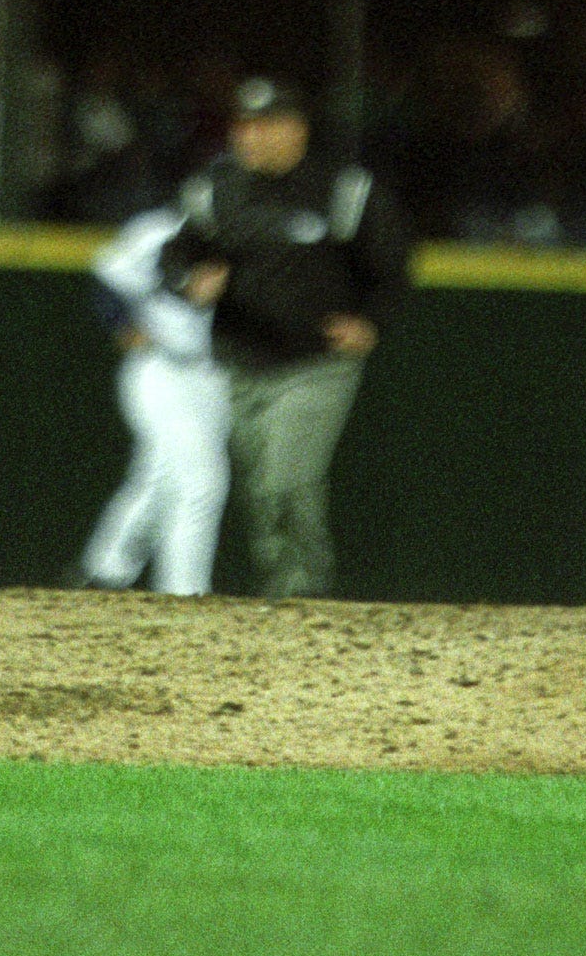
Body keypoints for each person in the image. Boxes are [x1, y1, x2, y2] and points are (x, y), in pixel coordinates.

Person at [162, 76, 411, 599]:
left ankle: (306, 596)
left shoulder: (342, 191)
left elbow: (391, 267)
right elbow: (176, 255)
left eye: (264, 125)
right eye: (243, 126)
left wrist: (370, 321)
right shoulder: (216, 188)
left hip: (314, 364)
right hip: (240, 361)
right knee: (262, 492)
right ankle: (281, 596)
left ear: (296, 129)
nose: (250, 137)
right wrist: (189, 282)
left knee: (286, 480)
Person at [71, 202, 230, 594]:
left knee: (159, 477)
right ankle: (184, 593)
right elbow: (107, 279)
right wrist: (123, 325)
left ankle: (103, 573)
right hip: (163, 368)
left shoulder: (254, 234)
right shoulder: (162, 228)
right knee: (201, 481)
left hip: (219, 375)